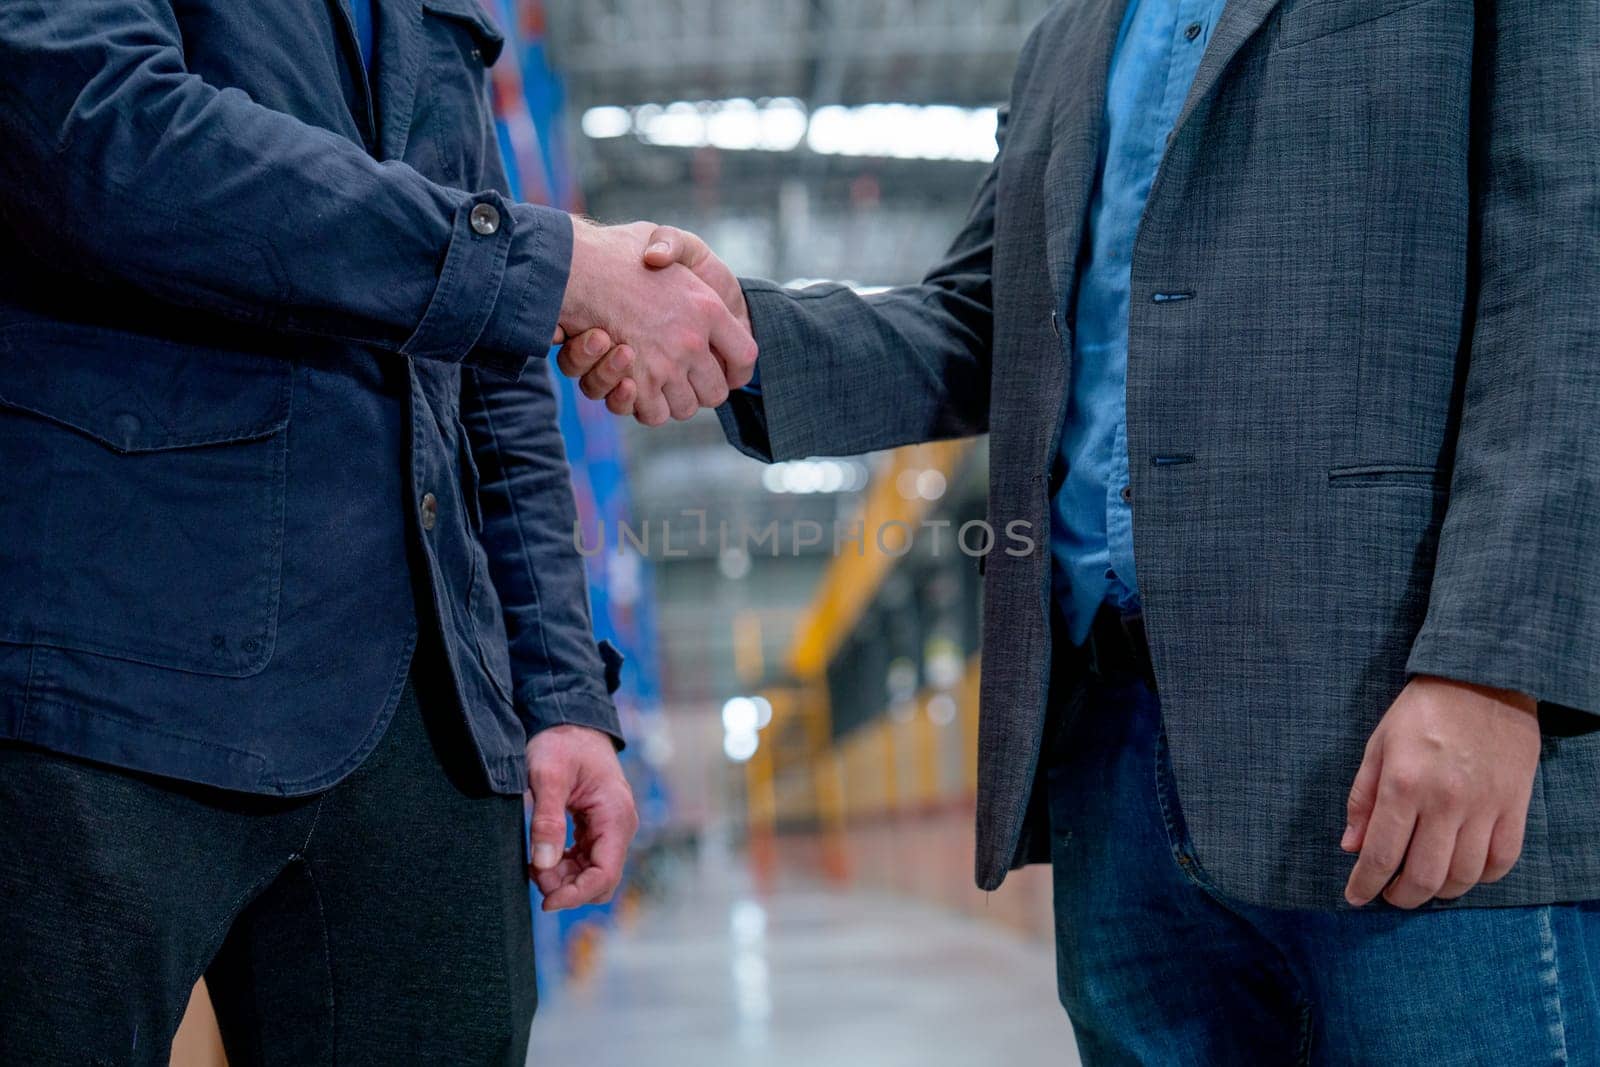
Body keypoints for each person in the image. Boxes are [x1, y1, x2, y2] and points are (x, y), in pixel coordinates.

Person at [563, 0, 1600, 1061]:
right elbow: (982, 323)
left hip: (1395, 737)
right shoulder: (1072, 38)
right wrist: (735, 331)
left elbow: (1573, 264)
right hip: (1112, 765)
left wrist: (1488, 668)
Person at [0, 0, 753, 1062]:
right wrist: (551, 263)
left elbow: (494, 367)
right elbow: (101, 128)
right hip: (108, 664)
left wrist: (558, 692)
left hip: (420, 708)